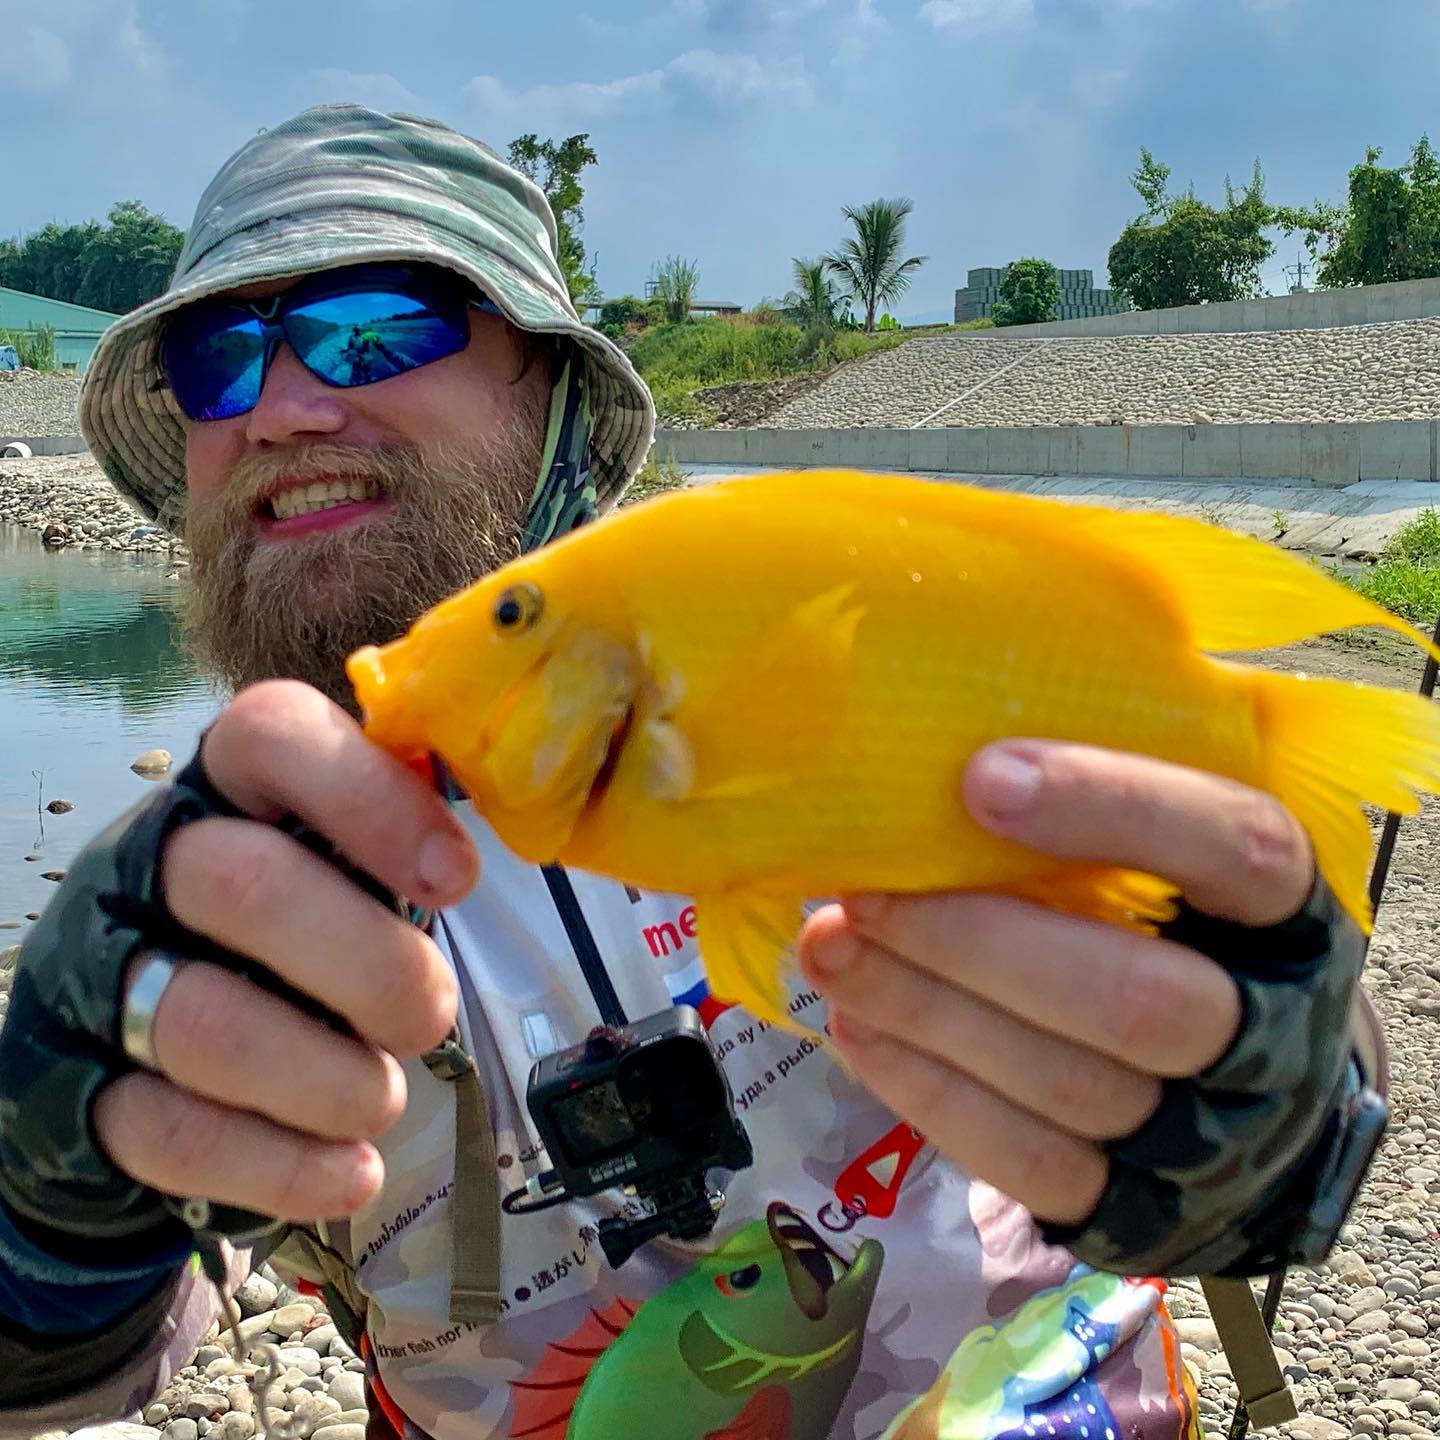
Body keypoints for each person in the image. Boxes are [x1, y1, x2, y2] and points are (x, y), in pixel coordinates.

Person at [0, 104, 1388, 1440]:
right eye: (216, 363)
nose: (286, 406)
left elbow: (1275, 1036)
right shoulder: (192, 905)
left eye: (374, 330)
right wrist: (46, 1207)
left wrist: (1263, 1101)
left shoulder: (787, 648)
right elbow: (73, 1367)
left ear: (553, 405)